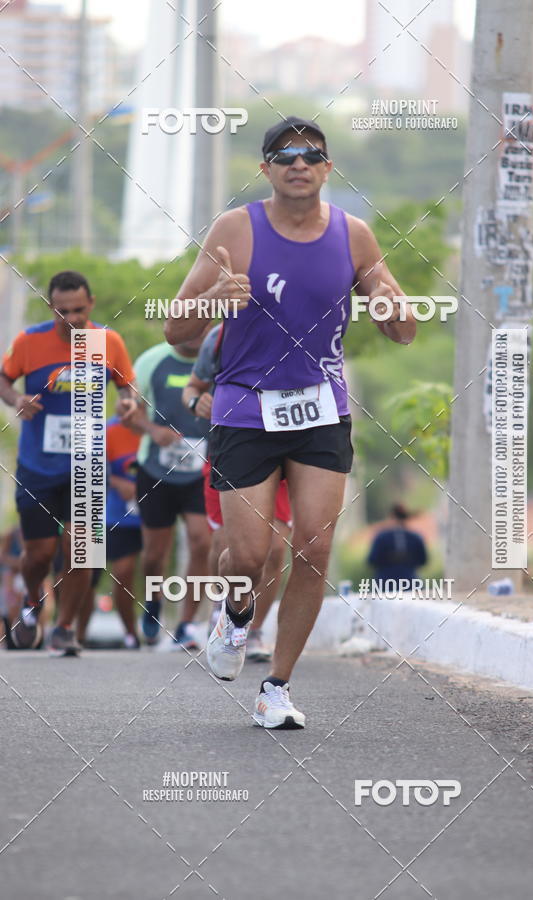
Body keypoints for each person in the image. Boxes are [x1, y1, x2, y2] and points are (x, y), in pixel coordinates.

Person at [165, 116, 416, 728]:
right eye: (284, 155)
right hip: (245, 408)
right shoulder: (235, 229)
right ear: (266, 168)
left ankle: (276, 686)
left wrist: (391, 307)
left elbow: (404, 330)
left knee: (315, 543)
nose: (298, 163)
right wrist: (212, 302)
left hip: (320, 407)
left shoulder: (354, 236)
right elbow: (176, 332)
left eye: (311, 155)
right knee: (248, 556)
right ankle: (236, 611)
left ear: (328, 168)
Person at [0, 270, 136, 656]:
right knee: (39, 554)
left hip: (88, 464)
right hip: (38, 467)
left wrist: (127, 402)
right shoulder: (30, 342)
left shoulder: (107, 342)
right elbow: (4, 379)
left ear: (90, 303)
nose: (72, 318)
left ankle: (63, 629)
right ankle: (32, 596)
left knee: (83, 548)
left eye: (79, 310)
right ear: (51, 307)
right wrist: (16, 400)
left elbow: (128, 384)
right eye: (63, 312)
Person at [183, 323, 292, 662]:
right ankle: (224, 611)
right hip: (230, 448)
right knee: (227, 545)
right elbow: (192, 388)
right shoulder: (221, 335)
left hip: (286, 448)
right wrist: (195, 403)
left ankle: (255, 629)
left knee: (274, 549)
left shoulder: (303, 329)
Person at [122, 333, 212, 649]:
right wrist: (152, 429)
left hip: (202, 470)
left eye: (203, 326)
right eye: (191, 325)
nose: (197, 333)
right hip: (156, 471)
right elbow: (127, 413)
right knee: (154, 554)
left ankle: (187, 623)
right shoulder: (151, 360)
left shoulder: (220, 355)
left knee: (202, 541)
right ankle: (154, 601)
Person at [104, 414, 143, 648]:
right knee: (123, 573)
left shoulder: (162, 424)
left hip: (158, 513)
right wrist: (121, 484)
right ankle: (131, 632)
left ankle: (156, 621)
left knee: (155, 568)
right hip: (121, 515)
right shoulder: (111, 429)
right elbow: (91, 467)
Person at [367, 503, 428, 590]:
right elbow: (423, 561)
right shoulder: (415, 537)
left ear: (391, 516)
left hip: (385, 584)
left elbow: (372, 560)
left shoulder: (382, 537)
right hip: (410, 583)